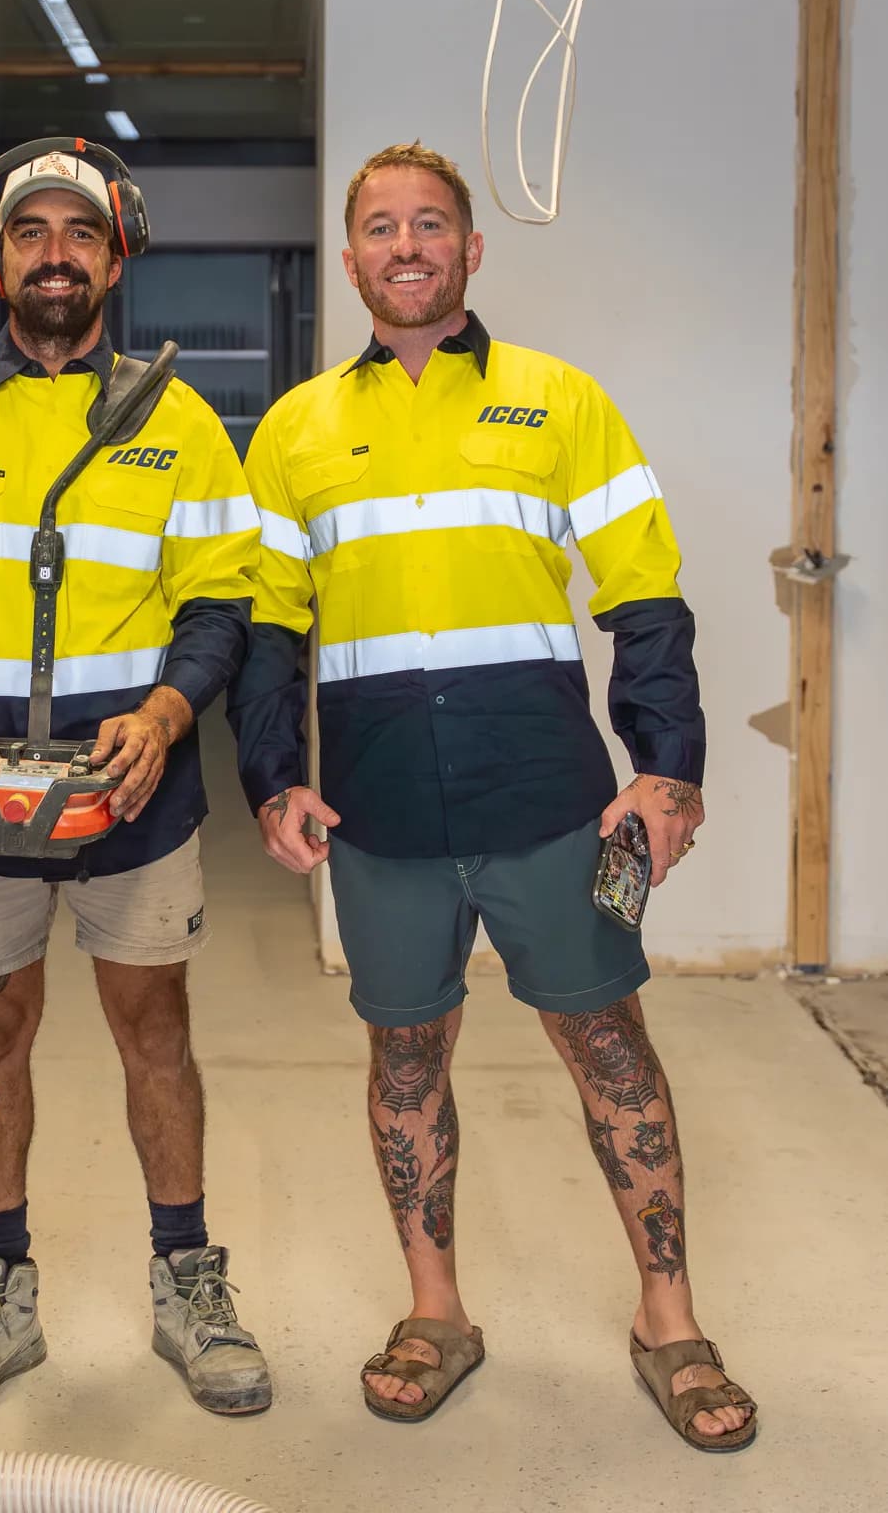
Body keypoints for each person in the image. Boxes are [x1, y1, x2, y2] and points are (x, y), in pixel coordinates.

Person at [228, 141, 756, 1449]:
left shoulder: (558, 402)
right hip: (379, 811)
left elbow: (643, 600)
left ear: (470, 250)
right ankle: (435, 1312)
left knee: (610, 1049)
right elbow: (266, 630)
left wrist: (668, 765)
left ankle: (668, 1322)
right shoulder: (296, 430)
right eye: (379, 227)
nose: (404, 245)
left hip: (545, 803)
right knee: (403, 1056)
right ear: (349, 258)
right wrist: (271, 777)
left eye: (429, 224)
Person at [0, 141, 271, 1425]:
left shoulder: (177, 419)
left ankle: (188, 1283)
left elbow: (220, 600)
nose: (52, 252)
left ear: (113, 256)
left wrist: (167, 706)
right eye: (27, 229)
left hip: (130, 790)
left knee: (156, 1033)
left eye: (77, 233)